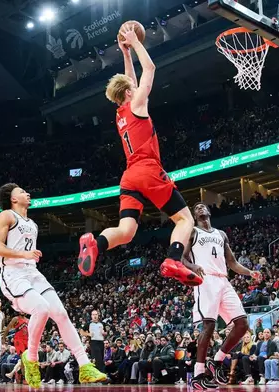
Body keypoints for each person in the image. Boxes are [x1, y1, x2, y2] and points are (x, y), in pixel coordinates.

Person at [77, 23, 200, 287]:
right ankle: (173, 259)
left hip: (129, 177)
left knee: (126, 231)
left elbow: (129, 80)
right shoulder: (136, 103)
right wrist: (135, 43)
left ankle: (95, 244)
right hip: (147, 170)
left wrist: (124, 53)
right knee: (184, 219)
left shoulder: (120, 112)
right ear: (130, 93)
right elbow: (150, 69)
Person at [0, 183, 106, 388]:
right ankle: (31, 358)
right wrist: (24, 254)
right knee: (41, 308)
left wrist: (28, 257)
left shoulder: (33, 224)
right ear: (13, 199)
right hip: (13, 273)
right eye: (21, 191)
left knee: (61, 314)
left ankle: (85, 365)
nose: (27, 192)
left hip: (32, 272)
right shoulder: (7, 216)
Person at [182, 202, 262, 390]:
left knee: (243, 323)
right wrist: (193, 267)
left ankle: (217, 361)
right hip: (205, 279)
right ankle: (199, 374)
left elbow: (232, 262)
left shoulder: (221, 234)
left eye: (202, 206)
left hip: (223, 280)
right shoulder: (193, 232)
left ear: (209, 212)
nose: (200, 208)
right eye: (197, 208)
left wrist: (250, 272)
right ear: (195, 216)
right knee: (209, 325)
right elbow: (181, 258)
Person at [2, 313, 29, 380]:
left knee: (27, 359)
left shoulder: (28, 320)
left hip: (27, 340)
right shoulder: (16, 319)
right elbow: (8, 328)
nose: (22, 311)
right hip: (18, 340)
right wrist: (3, 338)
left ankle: (19, 372)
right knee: (23, 358)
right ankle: (24, 377)